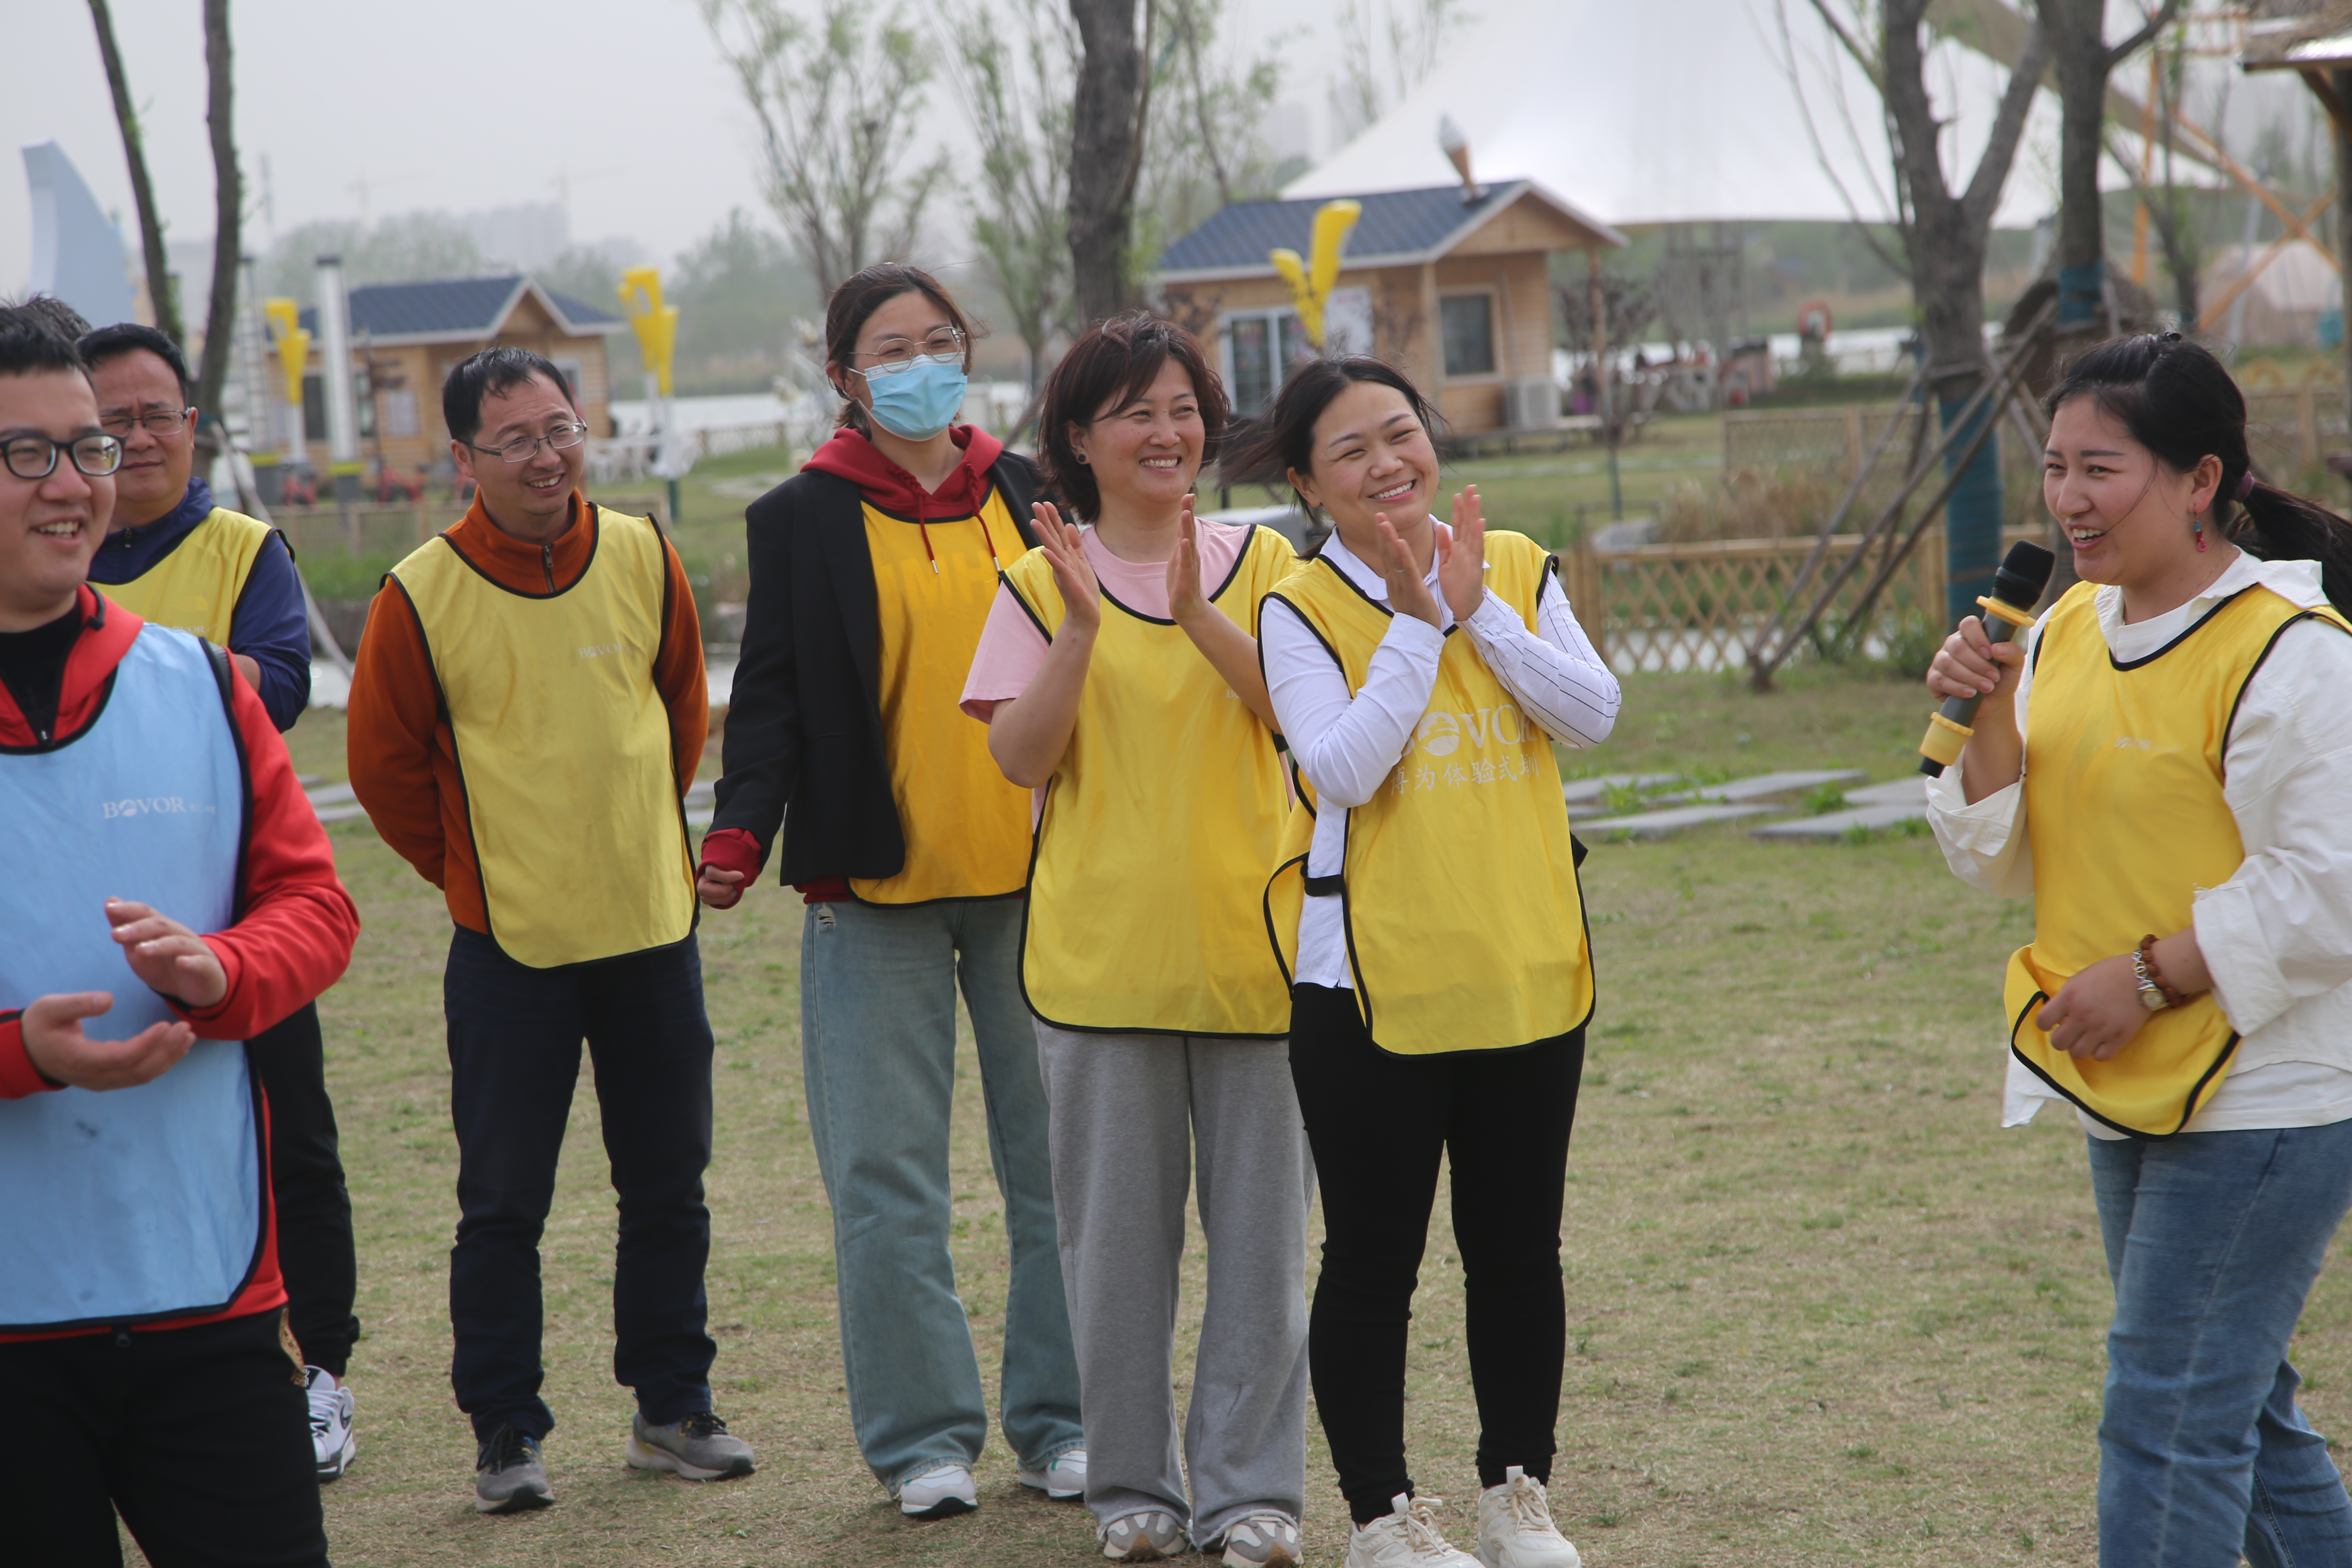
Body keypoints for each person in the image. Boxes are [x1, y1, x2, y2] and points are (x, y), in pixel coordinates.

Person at [1926, 332, 2352, 1567]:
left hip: (2264, 1092)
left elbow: (2329, 886)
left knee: (2168, 1418)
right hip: (2126, 1078)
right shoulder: (2061, 632)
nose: (2068, 500)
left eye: (2100, 469)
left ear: (2200, 480)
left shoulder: (2294, 650)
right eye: (2056, 468)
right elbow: (2002, 855)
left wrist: (2155, 975)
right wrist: (1990, 714)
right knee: (2242, 1418)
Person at [698, 262, 1084, 1519]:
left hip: (1041, 879)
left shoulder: (1029, 493)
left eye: (941, 340)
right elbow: (773, 696)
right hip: (872, 890)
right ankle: (924, 1442)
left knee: (1061, 1169)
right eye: (891, 348)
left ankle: (1064, 1421)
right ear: (845, 378)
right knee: (885, 1182)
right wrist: (740, 833)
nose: (921, 364)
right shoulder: (804, 515)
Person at [346, 345, 751, 1513]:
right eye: (515, 440)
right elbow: (383, 770)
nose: (545, 457)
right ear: (464, 458)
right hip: (508, 949)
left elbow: (680, 711)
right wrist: (476, 874)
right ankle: (505, 1431)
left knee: (670, 1184)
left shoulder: (640, 549)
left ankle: (674, 1406)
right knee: (503, 1201)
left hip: (650, 929)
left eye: (561, 429)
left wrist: (635, 838)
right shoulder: (419, 591)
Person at [1234, 355, 1620, 1568]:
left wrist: (1476, 609)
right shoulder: (1296, 606)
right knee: (1372, 1260)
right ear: (1307, 482)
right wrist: (1415, 620)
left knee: (1518, 1251)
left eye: (1400, 434)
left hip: (1523, 964)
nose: (1387, 463)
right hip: (1369, 990)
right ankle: (1380, 1516)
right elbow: (1341, 768)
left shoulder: (1507, 559)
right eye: (1351, 451)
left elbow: (1591, 712)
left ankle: (1519, 1493)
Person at [0, 310, 359, 1565]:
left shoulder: (201, 685)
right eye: (27, 454)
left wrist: (228, 971)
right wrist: (20, 1056)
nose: (72, 487)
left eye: (88, 450)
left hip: (209, 1304)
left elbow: (317, 909)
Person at [962, 313, 1311, 1566]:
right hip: (1101, 972)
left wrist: (1196, 612)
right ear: (1076, 441)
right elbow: (1018, 758)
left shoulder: (1268, 566)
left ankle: (1252, 1492)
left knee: (1265, 1255)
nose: (1169, 433)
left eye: (1184, 409)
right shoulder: (1032, 581)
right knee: (1114, 1261)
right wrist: (1080, 630)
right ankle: (1135, 1496)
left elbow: (1301, 723)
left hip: (1259, 963)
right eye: (1137, 414)